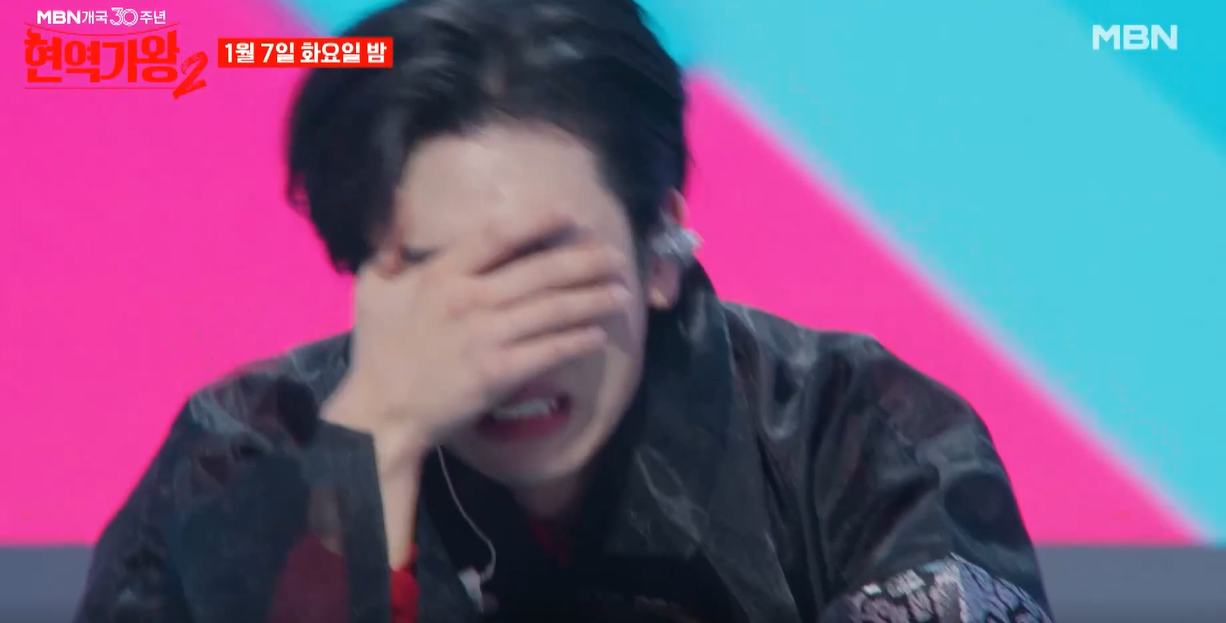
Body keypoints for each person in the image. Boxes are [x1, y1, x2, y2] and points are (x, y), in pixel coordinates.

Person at [73, 0, 1054, 621]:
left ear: (659, 245)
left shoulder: (859, 438)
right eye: (440, 274)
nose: (505, 342)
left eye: (544, 263)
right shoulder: (241, 450)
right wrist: (367, 454)